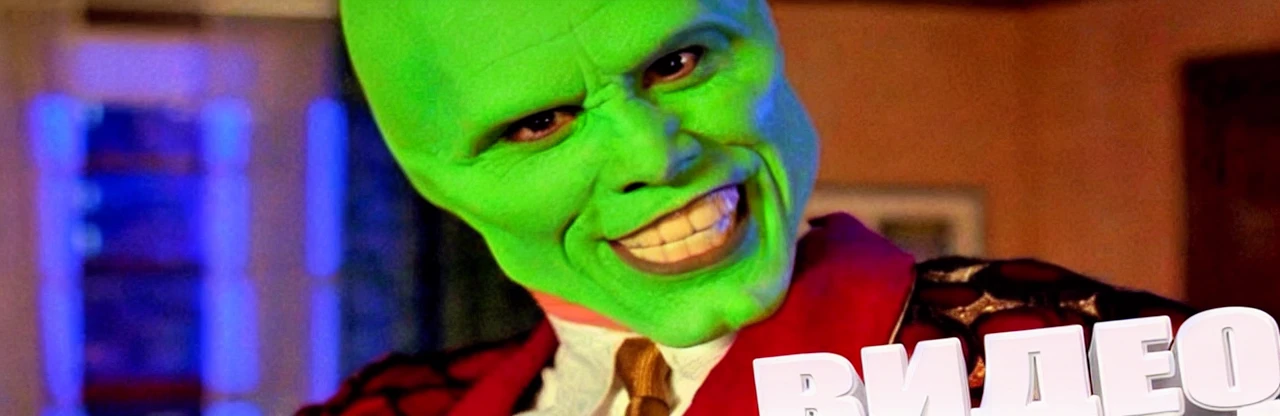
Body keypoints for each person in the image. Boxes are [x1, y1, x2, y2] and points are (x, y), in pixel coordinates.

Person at [300, 1, 1193, 414]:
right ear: (432, 177)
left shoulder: (1101, 362)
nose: (656, 156)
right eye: (540, 124)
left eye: (678, 63)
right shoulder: (385, 408)